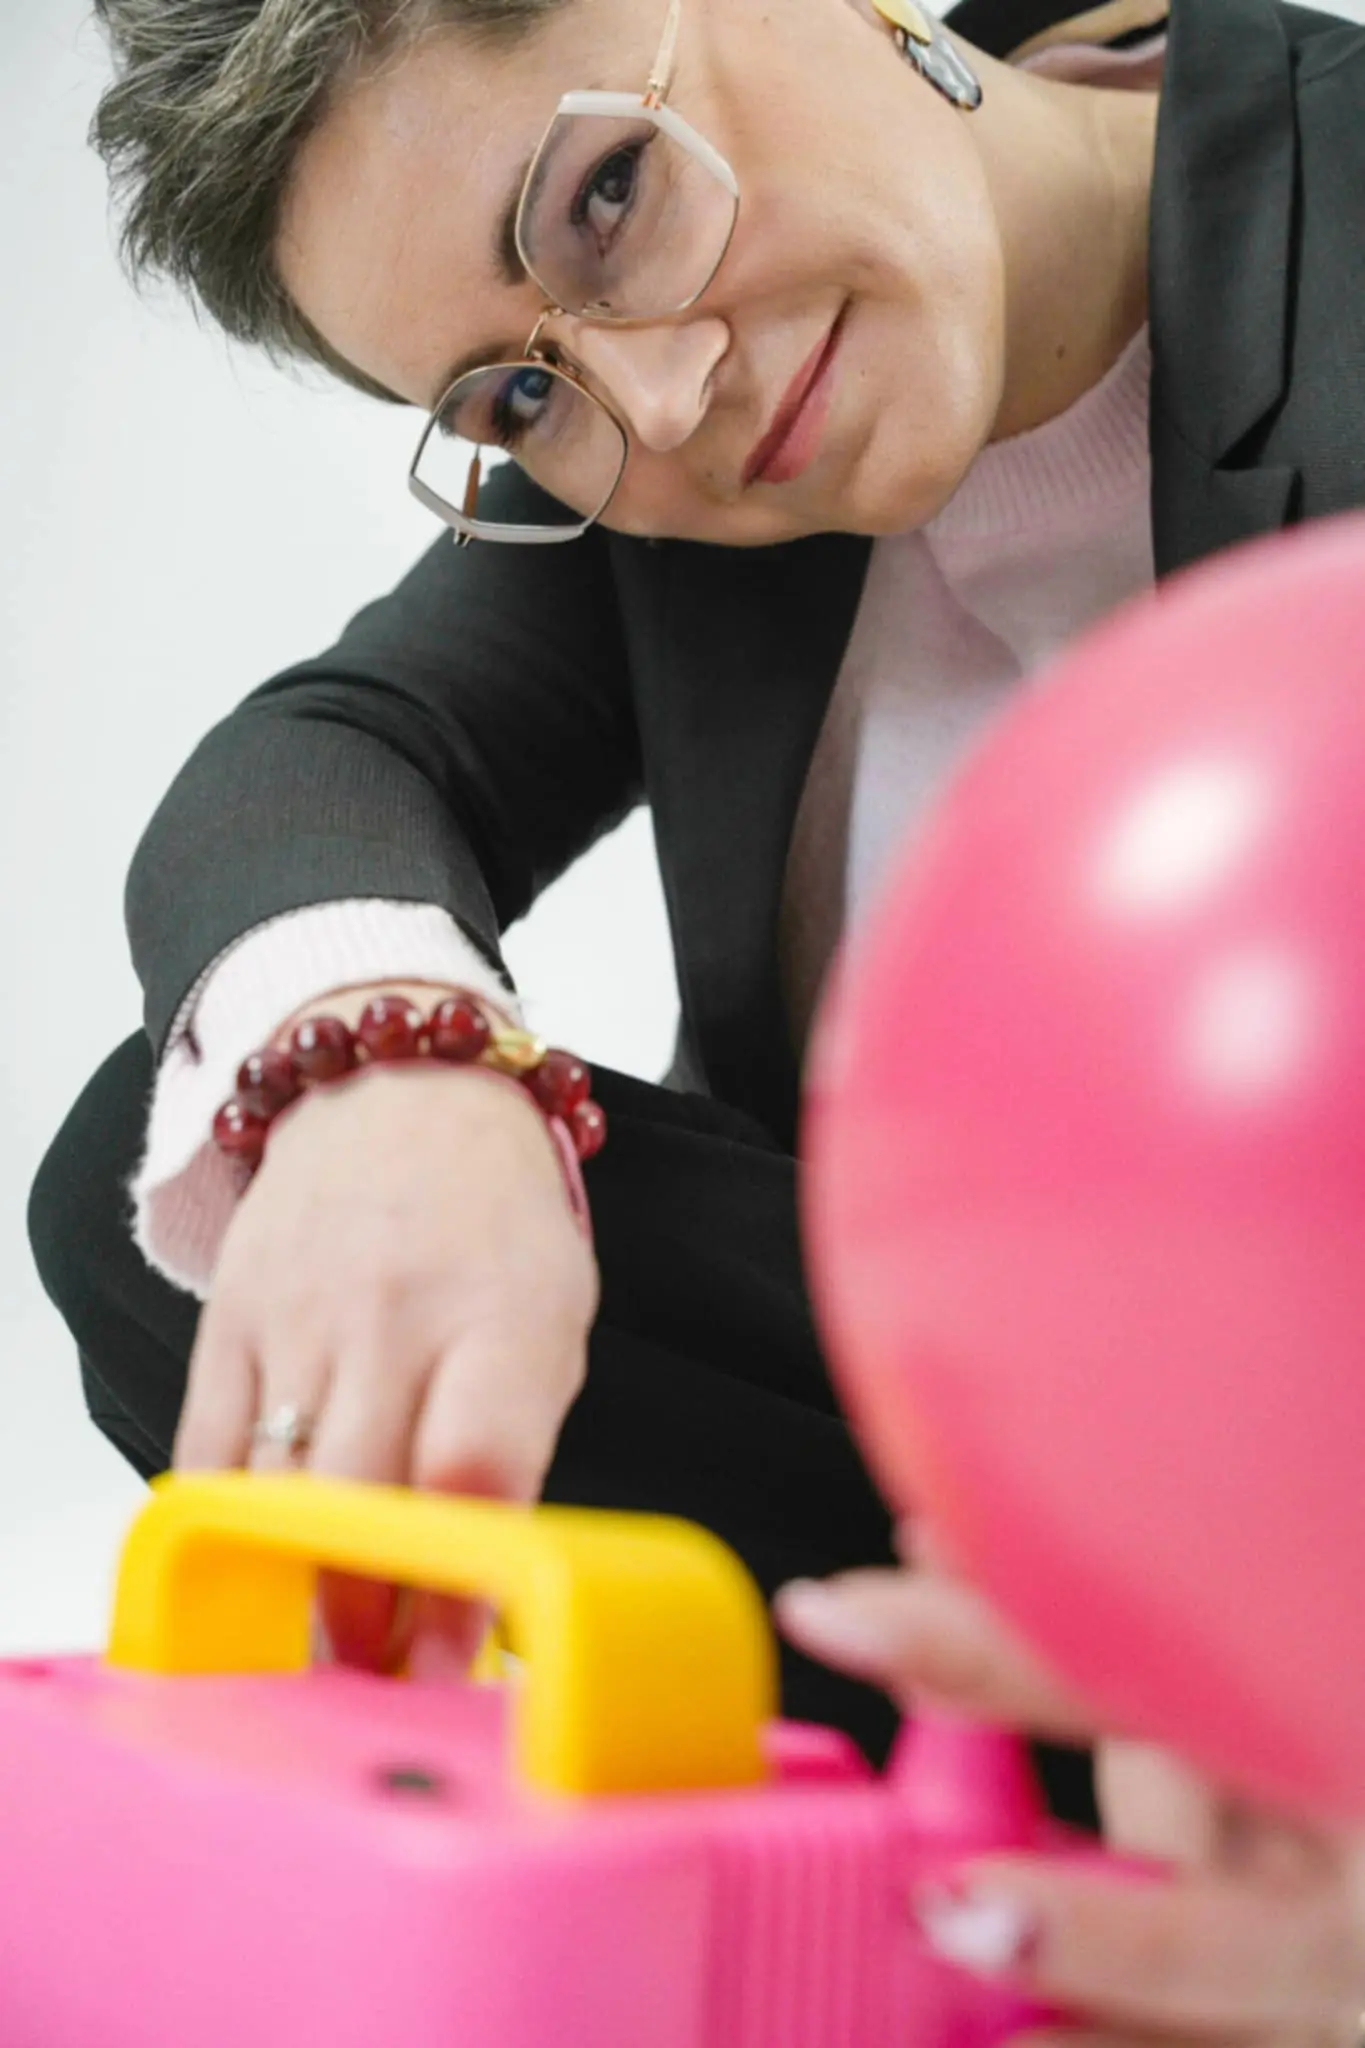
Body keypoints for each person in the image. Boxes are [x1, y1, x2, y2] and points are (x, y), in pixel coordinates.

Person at [26, 0, 1365, 2032]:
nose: (660, 404)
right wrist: (396, 1064)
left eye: (610, 198)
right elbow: (339, 743)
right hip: (963, 1512)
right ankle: (912, 1829)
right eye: (513, 393)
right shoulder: (659, 457)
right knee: (190, 1169)